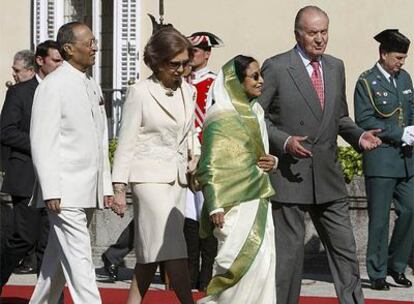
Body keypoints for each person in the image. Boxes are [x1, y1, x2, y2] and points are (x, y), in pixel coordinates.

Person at [259, 5, 382, 304]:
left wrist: (358, 135)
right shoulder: (276, 67)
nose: (320, 39)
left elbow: (339, 116)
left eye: (324, 32)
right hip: (290, 175)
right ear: (297, 34)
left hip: (328, 176)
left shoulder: (335, 66)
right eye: (313, 33)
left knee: (346, 253)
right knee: (288, 261)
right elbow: (257, 117)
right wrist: (285, 141)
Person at [110, 27, 197, 304]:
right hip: (148, 178)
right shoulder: (140, 92)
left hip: (178, 179)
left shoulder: (189, 90)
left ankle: (133, 301)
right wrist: (119, 187)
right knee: (173, 245)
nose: (181, 69)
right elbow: (126, 141)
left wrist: (196, 157)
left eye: (185, 63)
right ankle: (187, 301)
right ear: (156, 61)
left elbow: (189, 134)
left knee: (153, 249)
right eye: (174, 64)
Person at [29, 22, 113, 304]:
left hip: (86, 187)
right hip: (65, 191)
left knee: (55, 263)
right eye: (89, 42)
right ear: (68, 48)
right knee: (80, 260)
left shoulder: (89, 83)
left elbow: (100, 142)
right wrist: (51, 189)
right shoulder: (54, 85)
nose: (95, 47)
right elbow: (43, 140)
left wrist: (106, 185)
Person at [196, 55, 277, 304]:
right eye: (254, 76)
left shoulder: (256, 111)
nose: (261, 81)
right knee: (236, 266)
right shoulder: (219, 114)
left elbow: (260, 154)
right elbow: (209, 164)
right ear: (236, 81)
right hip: (231, 206)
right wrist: (215, 204)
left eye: (260, 74)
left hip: (258, 199)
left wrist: (272, 162)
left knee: (264, 263)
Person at [354, 29, 414, 290]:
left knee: (410, 211)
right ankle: (377, 272)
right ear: (383, 53)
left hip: (406, 159)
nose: (402, 62)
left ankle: (396, 265)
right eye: (398, 57)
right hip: (381, 160)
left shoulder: (405, 79)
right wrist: (400, 132)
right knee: (378, 219)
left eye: (404, 58)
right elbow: (365, 120)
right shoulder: (366, 82)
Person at [0, 41, 62, 291]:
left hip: (56, 179)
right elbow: (6, 132)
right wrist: (41, 143)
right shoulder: (20, 92)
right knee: (22, 239)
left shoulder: (63, 90)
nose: (60, 66)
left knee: (48, 243)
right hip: (27, 176)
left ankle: (48, 298)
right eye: (55, 60)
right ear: (40, 61)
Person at [184, 31, 223, 291]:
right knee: (187, 219)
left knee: (206, 217)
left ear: (207, 54)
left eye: (196, 51)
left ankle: (206, 275)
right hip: (184, 154)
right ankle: (188, 274)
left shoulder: (215, 81)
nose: (191, 55)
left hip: (206, 154)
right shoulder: (180, 81)